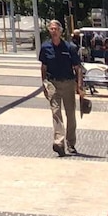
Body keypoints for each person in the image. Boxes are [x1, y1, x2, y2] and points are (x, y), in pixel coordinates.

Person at [39, 19, 85, 157]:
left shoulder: (69, 47)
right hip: (53, 84)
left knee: (70, 114)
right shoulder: (45, 47)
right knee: (56, 113)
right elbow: (43, 67)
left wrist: (80, 87)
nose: (54, 31)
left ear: (61, 31)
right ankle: (59, 143)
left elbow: (78, 69)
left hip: (68, 84)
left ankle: (71, 143)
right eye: (51, 29)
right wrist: (44, 83)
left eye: (56, 29)